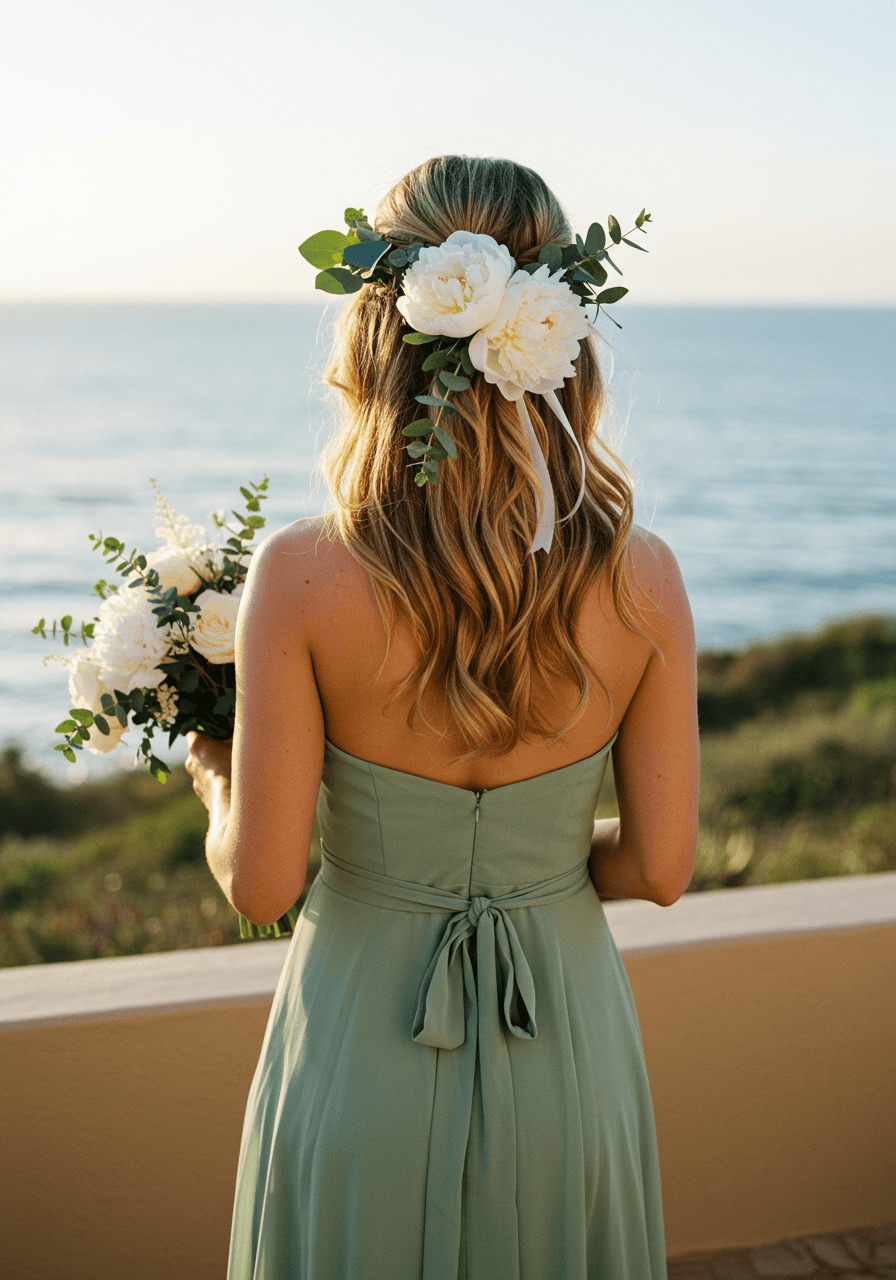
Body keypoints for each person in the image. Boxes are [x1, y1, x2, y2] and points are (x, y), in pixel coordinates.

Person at [186, 154, 699, 1280]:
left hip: (357, 1047)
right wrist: (539, 860)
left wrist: (218, 784)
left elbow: (263, 883)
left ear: (375, 331)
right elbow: (662, 866)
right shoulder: (643, 579)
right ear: (560, 329)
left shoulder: (305, 574)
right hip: (567, 1052)